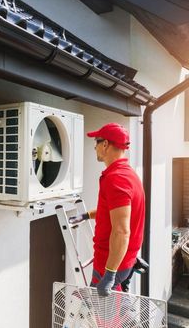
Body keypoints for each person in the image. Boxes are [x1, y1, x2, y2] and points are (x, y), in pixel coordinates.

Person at [69, 122, 145, 296]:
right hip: (122, 260)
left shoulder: (116, 179)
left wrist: (110, 274)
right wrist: (86, 215)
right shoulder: (127, 174)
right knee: (109, 312)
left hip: (110, 263)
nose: (94, 146)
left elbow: (121, 231)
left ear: (105, 144)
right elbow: (113, 212)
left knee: (106, 319)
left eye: (96, 142)